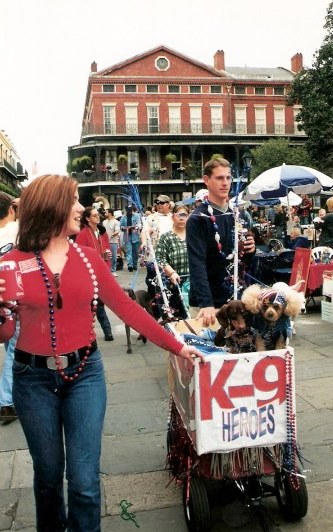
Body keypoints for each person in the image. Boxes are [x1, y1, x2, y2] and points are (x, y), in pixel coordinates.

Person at [0, 174, 203, 532]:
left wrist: (178, 346)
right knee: (48, 477)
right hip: (31, 380)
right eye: (74, 200)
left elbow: (129, 309)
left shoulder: (90, 258)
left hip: (85, 376)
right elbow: (4, 333)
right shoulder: (12, 262)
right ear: (52, 206)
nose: (82, 207)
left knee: (84, 482)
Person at [186, 158, 256, 326]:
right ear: (206, 180)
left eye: (228, 178)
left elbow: (242, 263)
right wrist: (206, 303)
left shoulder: (238, 214)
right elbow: (196, 263)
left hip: (236, 301)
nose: (225, 183)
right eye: (219, 178)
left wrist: (250, 251)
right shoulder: (198, 219)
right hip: (209, 303)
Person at [76, 206, 114, 341]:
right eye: (94, 215)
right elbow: (79, 256)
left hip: (103, 272)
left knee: (99, 304)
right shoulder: (82, 234)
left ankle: (101, 332)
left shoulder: (102, 232)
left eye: (98, 215)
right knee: (95, 304)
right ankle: (103, 332)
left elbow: (107, 249)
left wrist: (107, 255)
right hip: (89, 275)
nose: (98, 217)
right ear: (87, 219)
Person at [0, 193, 19, 424]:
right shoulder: (16, 229)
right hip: (13, 297)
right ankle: (6, 402)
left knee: (9, 344)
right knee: (14, 349)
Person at [155, 204, 190, 319]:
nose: (181, 218)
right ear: (172, 217)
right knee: (175, 318)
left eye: (184, 215)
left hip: (192, 283)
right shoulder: (166, 237)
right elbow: (160, 259)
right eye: (178, 215)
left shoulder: (193, 236)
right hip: (173, 284)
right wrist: (172, 273)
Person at [119, 205, 141, 271]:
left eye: (131, 210)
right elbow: (121, 226)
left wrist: (135, 227)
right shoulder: (123, 217)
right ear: (126, 211)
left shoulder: (136, 216)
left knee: (135, 252)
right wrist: (123, 228)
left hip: (135, 236)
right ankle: (130, 265)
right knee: (129, 251)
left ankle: (135, 264)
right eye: (128, 210)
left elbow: (139, 224)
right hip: (127, 236)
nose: (130, 212)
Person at [102, 208, 120, 277]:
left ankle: (113, 270)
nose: (105, 213)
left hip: (113, 242)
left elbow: (117, 231)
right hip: (104, 242)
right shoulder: (104, 222)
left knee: (113, 256)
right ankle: (106, 270)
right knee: (105, 256)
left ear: (110, 213)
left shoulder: (116, 222)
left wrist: (112, 235)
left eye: (106, 212)